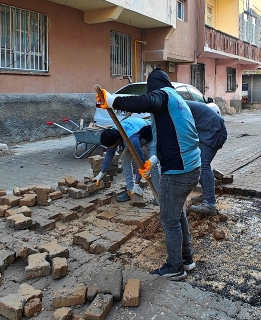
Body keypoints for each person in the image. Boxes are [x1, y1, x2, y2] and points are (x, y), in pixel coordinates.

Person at [96, 69, 200, 281]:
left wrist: (112, 99)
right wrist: (152, 161)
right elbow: (171, 140)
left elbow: (145, 101)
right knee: (177, 214)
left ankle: (175, 266)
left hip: (178, 172)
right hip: (190, 167)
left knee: (168, 219)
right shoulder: (177, 103)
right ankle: (187, 260)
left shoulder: (165, 96)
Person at [93, 117, 160, 202]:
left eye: (110, 146)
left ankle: (158, 195)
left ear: (117, 141)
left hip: (150, 135)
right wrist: (101, 173)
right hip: (135, 135)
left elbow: (140, 162)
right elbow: (110, 153)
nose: (109, 148)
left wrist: (137, 184)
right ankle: (130, 190)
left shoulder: (132, 139)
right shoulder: (112, 133)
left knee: (152, 166)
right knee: (125, 158)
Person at [184, 100, 227, 216]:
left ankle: (210, 204)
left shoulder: (178, 108)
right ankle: (207, 195)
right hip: (208, 132)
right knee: (199, 164)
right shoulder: (177, 105)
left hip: (216, 132)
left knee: (203, 164)